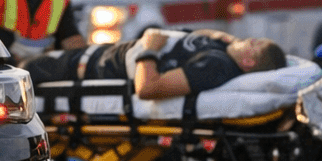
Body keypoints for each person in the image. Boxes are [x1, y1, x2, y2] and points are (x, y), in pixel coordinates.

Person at [24, 27, 286, 99]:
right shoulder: (224, 49)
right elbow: (206, 34)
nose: (249, 39)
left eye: (254, 43)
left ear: (249, 62)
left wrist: (149, 50)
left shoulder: (217, 67)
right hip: (99, 54)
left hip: (93, 68)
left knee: (22, 74)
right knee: (24, 66)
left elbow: (148, 88)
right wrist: (226, 38)